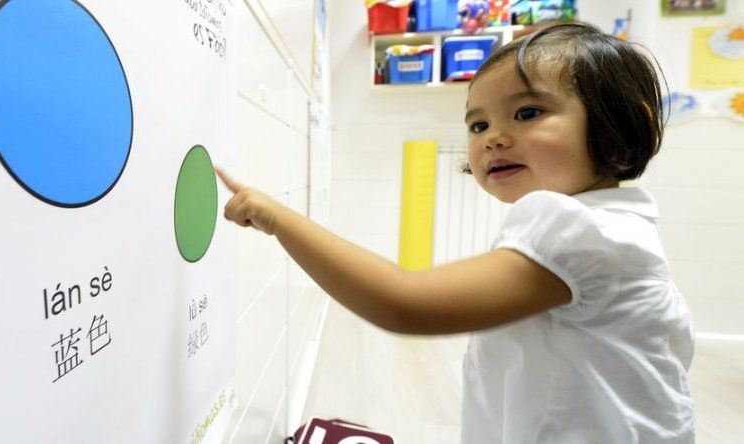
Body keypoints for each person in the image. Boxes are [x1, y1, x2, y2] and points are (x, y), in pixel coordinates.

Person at [215, 21, 694, 444]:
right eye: (478, 124)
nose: (492, 138)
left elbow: (404, 302)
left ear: (621, 124)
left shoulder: (578, 229)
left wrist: (279, 219)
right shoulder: (622, 224)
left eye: (528, 113)